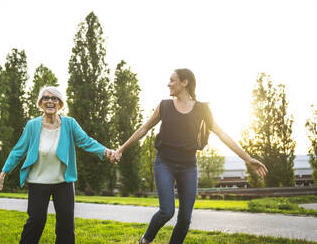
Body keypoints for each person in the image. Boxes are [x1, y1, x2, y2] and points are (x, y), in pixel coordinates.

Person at [113, 68, 268, 244]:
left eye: (172, 80)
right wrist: (121, 149)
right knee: (167, 211)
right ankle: (145, 240)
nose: (168, 83)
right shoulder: (165, 106)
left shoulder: (202, 109)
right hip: (164, 163)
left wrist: (248, 159)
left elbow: (223, 134)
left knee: (185, 218)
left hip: (188, 167)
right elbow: (144, 128)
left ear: (184, 82)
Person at [0, 86, 116, 244]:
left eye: (54, 98)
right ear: (40, 103)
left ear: (60, 103)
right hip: (38, 182)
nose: (50, 101)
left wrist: (107, 152)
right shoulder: (32, 125)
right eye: (46, 98)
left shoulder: (70, 124)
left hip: (63, 182)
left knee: (66, 226)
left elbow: (86, 141)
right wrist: (3, 174)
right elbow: (18, 151)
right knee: (35, 222)